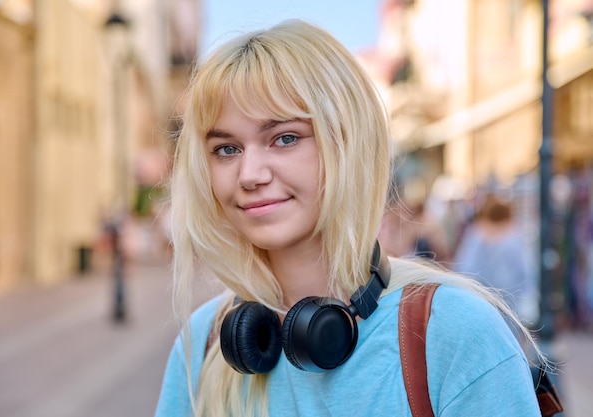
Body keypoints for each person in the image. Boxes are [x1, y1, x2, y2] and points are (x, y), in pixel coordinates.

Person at [155, 19, 544, 417]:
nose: (250, 174)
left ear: (347, 143)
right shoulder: (206, 343)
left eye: (285, 138)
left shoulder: (453, 333)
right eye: (226, 149)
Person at [453, 193, 539, 325]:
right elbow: (525, 271)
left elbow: (464, 269)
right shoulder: (514, 236)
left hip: (481, 299)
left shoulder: (476, 234)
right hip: (511, 300)